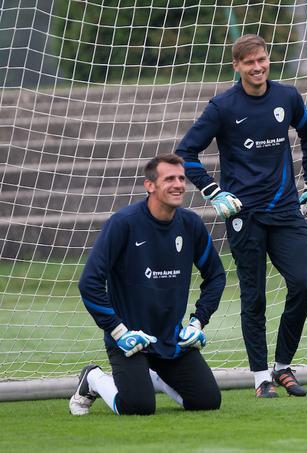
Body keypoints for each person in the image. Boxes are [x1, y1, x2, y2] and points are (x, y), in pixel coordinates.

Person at [175, 34, 307, 398]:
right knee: (254, 296)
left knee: (303, 284)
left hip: (287, 210)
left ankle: (284, 366)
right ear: (237, 66)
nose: (258, 67)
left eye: (262, 59)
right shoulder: (223, 106)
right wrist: (213, 191)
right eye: (249, 63)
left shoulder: (287, 97)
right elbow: (186, 152)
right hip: (245, 216)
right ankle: (261, 377)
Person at [69, 154, 226, 416]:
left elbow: (216, 276)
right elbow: (89, 283)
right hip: (130, 340)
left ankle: (151, 377)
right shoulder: (123, 223)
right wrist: (119, 332)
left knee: (207, 401)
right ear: (150, 185)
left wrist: (198, 322)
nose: (178, 185)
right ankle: (93, 379)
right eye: (169, 179)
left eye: (181, 178)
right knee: (138, 407)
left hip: (171, 339)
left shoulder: (190, 224)